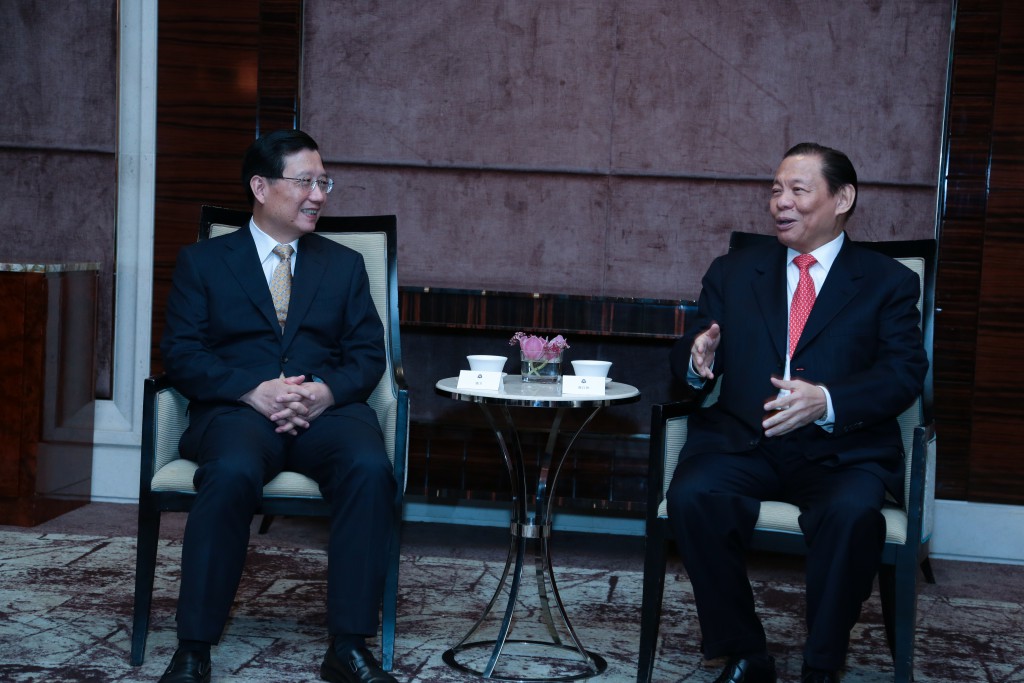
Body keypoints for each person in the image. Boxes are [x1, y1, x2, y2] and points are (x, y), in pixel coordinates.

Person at [665, 142, 928, 683]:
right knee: (693, 495)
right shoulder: (734, 271)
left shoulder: (889, 282)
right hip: (744, 440)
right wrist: (697, 359)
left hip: (840, 452)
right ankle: (745, 654)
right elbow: (691, 348)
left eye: (798, 190)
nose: (781, 202)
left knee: (853, 516)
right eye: (775, 190)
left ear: (843, 198)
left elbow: (903, 372)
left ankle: (822, 663)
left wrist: (826, 401)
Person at [157, 129, 399, 683]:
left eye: (324, 183)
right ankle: (193, 647)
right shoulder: (204, 262)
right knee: (232, 471)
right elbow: (183, 354)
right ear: (261, 187)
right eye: (306, 182)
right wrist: (252, 389)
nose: (319, 195)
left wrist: (323, 392)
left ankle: (348, 645)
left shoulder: (343, 265)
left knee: (368, 467)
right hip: (237, 412)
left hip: (327, 413)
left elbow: (367, 354)